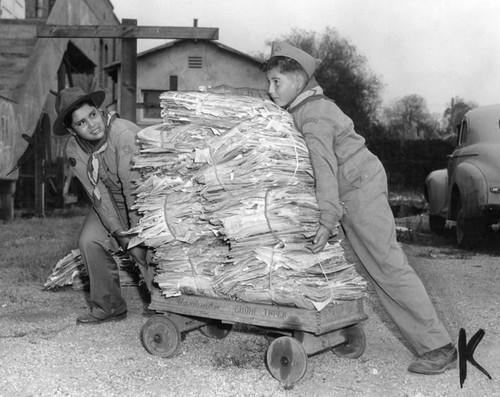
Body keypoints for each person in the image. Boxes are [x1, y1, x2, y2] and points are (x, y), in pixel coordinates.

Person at [254, 41, 456, 375]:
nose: (270, 90)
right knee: (379, 269)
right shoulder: (307, 105)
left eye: (276, 82)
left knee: (387, 266)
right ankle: (430, 342)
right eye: (269, 82)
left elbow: (324, 170)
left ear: (299, 81)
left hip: (358, 189)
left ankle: (439, 347)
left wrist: (326, 219)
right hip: (357, 185)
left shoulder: (314, 115)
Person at [53, 87, 152, 325]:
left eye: (93, 115)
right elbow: (98, 195)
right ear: (71, 130)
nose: (92, 125)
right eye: (81, 123)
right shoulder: (74, 150)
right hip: (111, 200)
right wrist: (120, 234)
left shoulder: (123, 134)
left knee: (148, 247)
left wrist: (136, 237)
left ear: (100, 111)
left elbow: (133, 189)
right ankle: (109, 306)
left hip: (148, 197)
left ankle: (167, 304)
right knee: (89, 240)